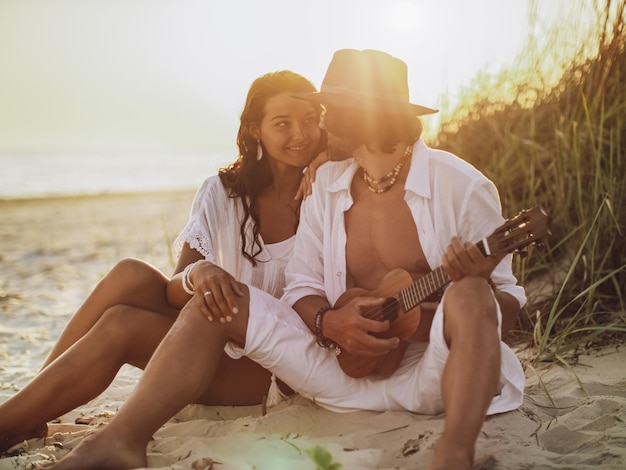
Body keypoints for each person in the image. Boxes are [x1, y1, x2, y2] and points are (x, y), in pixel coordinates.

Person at [44, 49, 526, 470]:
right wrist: (329, 321)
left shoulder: (460, 186)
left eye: (332, 109)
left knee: (471, 292)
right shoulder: (328, 186)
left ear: (366, 114)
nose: (321, 121)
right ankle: (120, 440)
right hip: (337, 372)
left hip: (433, 376)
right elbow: (300, 286)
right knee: (217, 300)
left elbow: (509, 308)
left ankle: (454, 455)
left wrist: (472, 291)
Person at [0, 69, 325, 454]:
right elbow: (175, 293)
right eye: (282, 123)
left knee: (122, 324)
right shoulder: (222, 192)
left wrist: (328, 159)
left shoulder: (326, 187)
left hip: (272, 368)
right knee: (130, 274)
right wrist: (199, 271)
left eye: (309, 121)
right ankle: (33, 412)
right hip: (205, 338)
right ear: (255, 129)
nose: (300, 135)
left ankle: (16, 418)